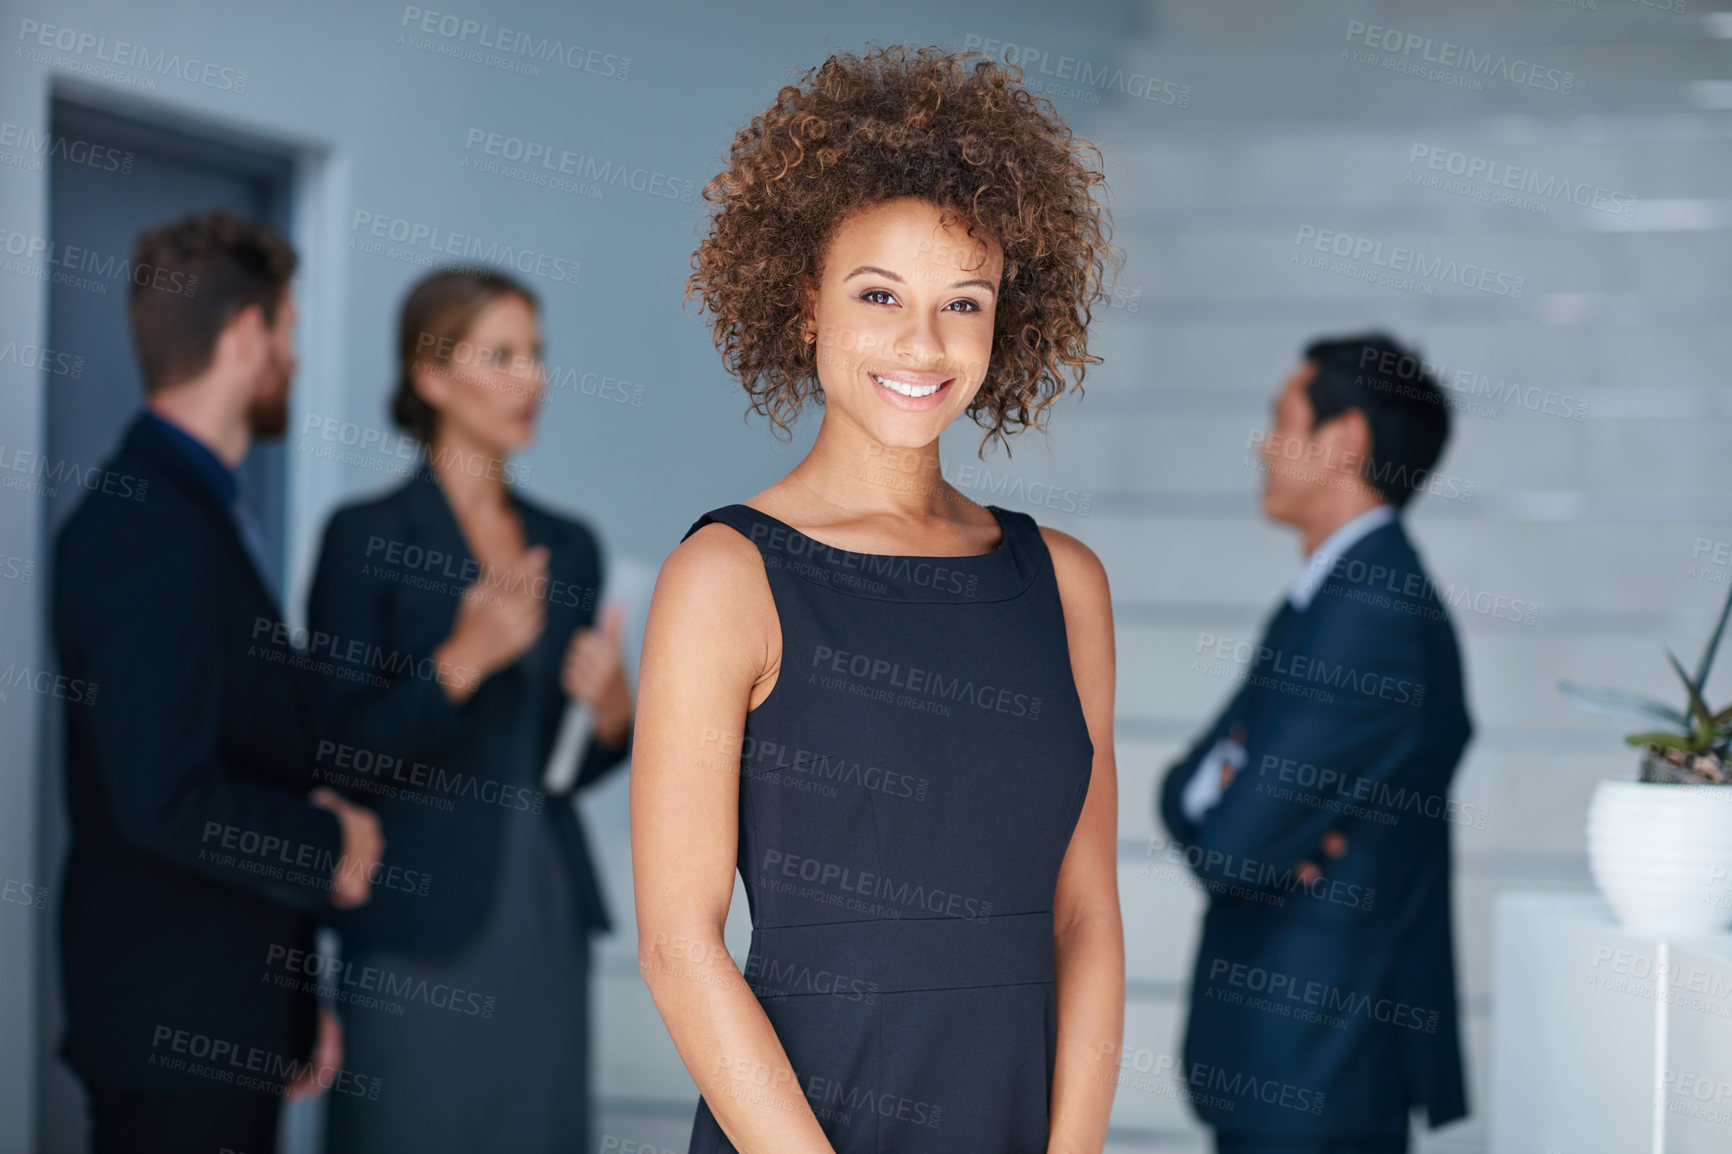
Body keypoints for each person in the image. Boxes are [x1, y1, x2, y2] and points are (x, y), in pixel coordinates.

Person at [632, 46, 1124, 1154]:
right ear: (803, 303)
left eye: (964, 300)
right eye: (878, 295)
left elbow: (1086, 914)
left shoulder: (1065, 583)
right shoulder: (726, 575)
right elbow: (677, 940)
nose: (923, 342)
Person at [52, 208, 384, 1154]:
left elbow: (234, 758)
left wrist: (288, 1004)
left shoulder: (188, 514)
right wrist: (330, 842)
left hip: (222, 1018)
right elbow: (164, 797)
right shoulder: (147, 531)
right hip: (172, 1036)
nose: (297, 361)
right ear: (248, 336)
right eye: (290, 334)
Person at [308, 266, 634, 1154]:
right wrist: (460, 662)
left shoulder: (569, 546)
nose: (533, 378)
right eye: (502, 355)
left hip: (544, 912)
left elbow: (564, 760)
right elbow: (334, 753)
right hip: (417, 922)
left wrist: (614, 715)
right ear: (432, 376)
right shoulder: (364, 540)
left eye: (536, 354)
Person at [1157, 333, 1474, 1154]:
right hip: (1301, 1054)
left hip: (1319, 1058)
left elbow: (1230, 843)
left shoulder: (1369, 616)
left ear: (1347, 441)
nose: (1265, 446)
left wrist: (1238, 795)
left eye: (1283, 420)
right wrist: (1238, 794)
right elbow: (1188, 788)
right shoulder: (1338, 595)